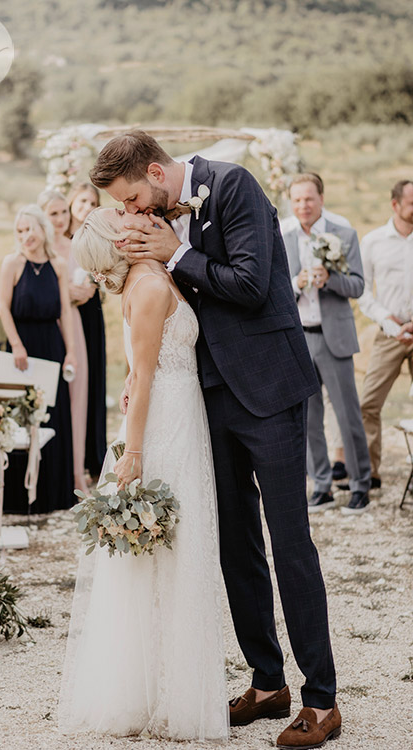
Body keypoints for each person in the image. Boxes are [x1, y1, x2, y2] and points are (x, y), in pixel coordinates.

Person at [91, 131, 339, 748]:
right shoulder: (155, 218)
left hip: (270, 390)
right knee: (236, 545)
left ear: (155, 170)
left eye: (133, 198)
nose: (133, 213)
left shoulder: (233, 186)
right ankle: (266, 681)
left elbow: (252, 285)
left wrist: (175, 253)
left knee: (290, 545)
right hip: (208, 397)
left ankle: (322, 700)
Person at [59, 207, 227, 741]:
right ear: (119, 241)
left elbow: (136, 366)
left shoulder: (152, 276)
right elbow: (148, 376)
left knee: (175, 556)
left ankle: (168, 693)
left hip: (178, 412)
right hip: (168, 421)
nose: (132, 215)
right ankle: (173, 703)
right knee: (175, 558)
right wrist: (132, 454)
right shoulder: (150, 287)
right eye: (122, 217)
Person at [283, 174, 371, 514]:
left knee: (349, 416)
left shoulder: (343, 234)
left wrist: (331, 280)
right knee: (308, 418)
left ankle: (360, 485)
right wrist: (296, 282)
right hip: (300, 338)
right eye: (297, 200)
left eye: (309, 199)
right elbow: (275, 291)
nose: (303, 205)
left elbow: (359, 285)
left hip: (334, 338)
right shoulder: (283, 237)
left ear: (321, 198)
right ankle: (321, 485)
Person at [0, 205, 78, 514]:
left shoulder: (58, 265)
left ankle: (52, 495)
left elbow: (66, 311)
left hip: (51, 344)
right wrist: (16, 345)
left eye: (30, 229)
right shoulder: (12, 263)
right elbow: (3, 308)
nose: (25, 236)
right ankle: (18, 499)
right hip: (21, 347)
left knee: (52, 415)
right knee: (19, 417)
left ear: (42, 229)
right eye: (19, 231)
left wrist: (70, 350)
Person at [359, 179, 413, 490]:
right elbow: (362, 290)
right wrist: (389, 321)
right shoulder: (374, 241)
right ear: (394, 205)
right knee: (369, 403)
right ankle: (370, 473)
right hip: (388, 332)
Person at [39, 188, 90, 493]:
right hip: (45, 325)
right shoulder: (36, 247)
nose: (60, 219)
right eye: (53, 213)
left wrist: (86, 291)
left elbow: (90, 279)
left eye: (63, 213)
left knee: (77, 397)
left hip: (73, 323)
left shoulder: (75, 246)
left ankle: (77, 473)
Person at [67, 183, 108, 478]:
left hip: (90, 310)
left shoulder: (99, 236)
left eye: (93, 202)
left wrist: (93, 286)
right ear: (71, 202)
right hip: (65, 309)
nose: (87, 206)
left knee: (94, 375)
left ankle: (95, 455)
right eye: (82, 201)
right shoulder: (59, 237)